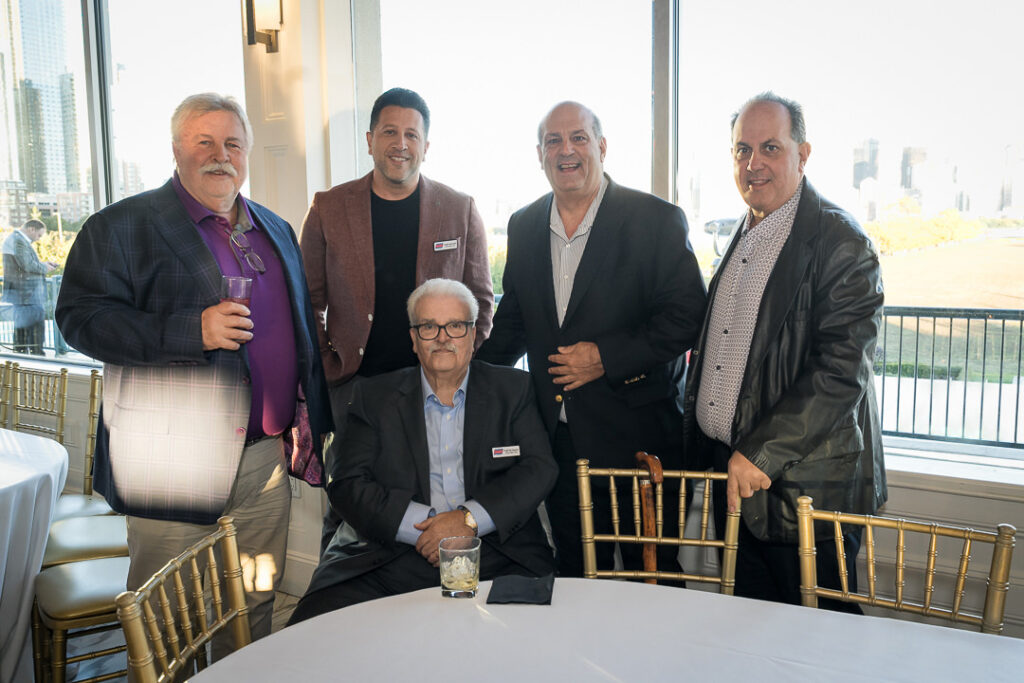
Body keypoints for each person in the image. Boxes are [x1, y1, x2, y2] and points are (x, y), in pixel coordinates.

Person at [55, 93, 333, 647]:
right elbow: (80, 320)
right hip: (170, 462)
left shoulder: (275, 230)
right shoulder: (120, 227)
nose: (220, 155)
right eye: (204, 141)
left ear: (247, 153)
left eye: (233, 143)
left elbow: (301, 330)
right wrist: (191, 330)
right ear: (177, 148)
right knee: (168, 622)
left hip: (262, 462)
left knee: (254, 604)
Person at [477, 101, 707, 578]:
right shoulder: (522, 225)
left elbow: (687, 317)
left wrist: (605, 357)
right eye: (554, 141)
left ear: (601, 147)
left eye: (578, 138)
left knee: (653, 574)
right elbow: (514, 324)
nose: (567, 151)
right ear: (539, 154)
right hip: (557, 443)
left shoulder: (655, 219)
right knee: (578, 574)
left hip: (640, 441)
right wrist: (460, 374)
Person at [682, 92, 886, 608]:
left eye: (770, 147)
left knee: (820, 643)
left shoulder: (841, 240)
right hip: (741, 486)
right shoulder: (744, 232)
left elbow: (842, 370)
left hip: (805, 493)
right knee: (754, 642)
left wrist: (761, 451)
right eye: (742, 150)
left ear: (803, 153)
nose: (754, 164)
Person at [288, 279, 555, 622]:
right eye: (429, 326)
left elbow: (539, 468)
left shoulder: (513, 390)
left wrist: (468, 520)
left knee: (528, 640)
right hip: (390, 556)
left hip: (496, 551)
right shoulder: (374, 397)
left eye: (456, 326)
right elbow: (346, 481)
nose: (443, 337)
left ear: (473, 335)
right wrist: (430, 527)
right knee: (320, 632)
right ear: (414, 339)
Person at [300, 87, 494, 554]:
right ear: (370, 140)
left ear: (427, 145)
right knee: (348, 503)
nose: (400, 143)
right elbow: (307, 302)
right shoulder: (329, 207)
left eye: (412, 134)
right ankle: (338, 594)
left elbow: (482, 304)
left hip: (435, 389)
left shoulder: (459, 208)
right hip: (357, 388)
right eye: (389, 131)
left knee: (435, 498)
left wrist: (454, 366)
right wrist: (330, 366)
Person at [2, 219, 56, 354]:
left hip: (23, 293)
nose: (38, 239)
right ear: (31, 229)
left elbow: (25, 263)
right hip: (26, 293)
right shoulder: (18, 241)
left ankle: (24, 353)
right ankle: (35, 353)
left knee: (23, 326)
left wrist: (43, 264)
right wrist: (45, 267)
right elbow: (27, 265)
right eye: (39, 235)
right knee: (35, 325)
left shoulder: (16, 239)